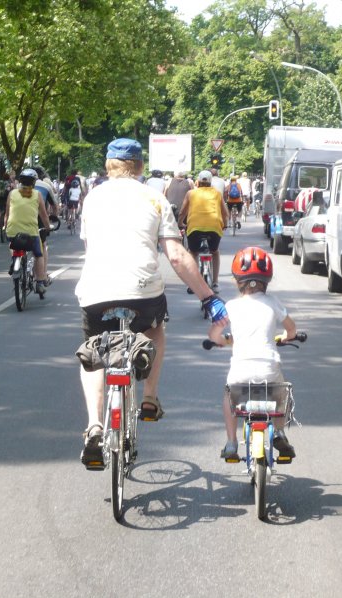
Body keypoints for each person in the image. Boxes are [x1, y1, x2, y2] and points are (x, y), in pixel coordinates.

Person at [76, 138, 228, 469]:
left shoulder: (92, 199)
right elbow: (175, 255)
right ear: (140, 167)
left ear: (107, 166)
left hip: (96, 290)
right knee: (155, 328)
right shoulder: (154, 198)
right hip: (142, 291)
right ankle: (148, 398)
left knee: (94, 350)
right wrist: (209, 297)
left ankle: (95, 426)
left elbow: (92, 249)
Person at [208, 246, 297, 462]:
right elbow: (292, 329)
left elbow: (215, 335)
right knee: (281, 394)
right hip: (269, 368)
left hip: (241, 371)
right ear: (266, 280)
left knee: (229, 396)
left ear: (238, 280)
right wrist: (286, 336)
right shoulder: (274, 303)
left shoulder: (230, 306)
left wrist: (223, 341)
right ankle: (279, 432)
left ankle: (231, 443)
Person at [177, 170, 228, 292]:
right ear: (211, 182)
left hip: (194, 228)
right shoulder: (217, 193)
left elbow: (183, 212)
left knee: (193, 252)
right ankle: (215, 283)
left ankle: (192, 283)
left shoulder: (191, 193)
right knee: (214, 252)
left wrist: (180, 224)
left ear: (198, 181)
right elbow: (225, 213)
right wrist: (224, 225)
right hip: (214, 227)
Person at [5, 168, 52, 294]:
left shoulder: (12, 194)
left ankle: (14, 261)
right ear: (34, 182)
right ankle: (40, 282)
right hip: (31, 232)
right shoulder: (37, 195)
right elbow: (44, 215)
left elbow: (7, 214)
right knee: (38, 254)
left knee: (12, 243)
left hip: (13, 231)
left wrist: (5, 227)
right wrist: (48, 228)